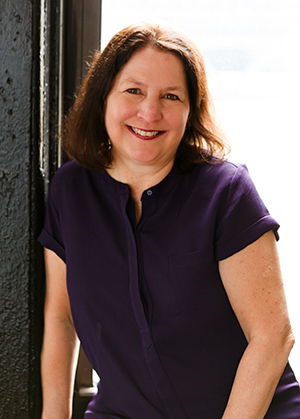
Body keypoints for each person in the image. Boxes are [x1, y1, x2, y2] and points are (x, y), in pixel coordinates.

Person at [38, 22, 300, 419]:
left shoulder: (227, 192)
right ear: (103, 98)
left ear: (190, 110)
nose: (150, 112)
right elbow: (61, 317)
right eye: (133, 91)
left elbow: (272, 337)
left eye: (171, 96)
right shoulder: (70, 190)